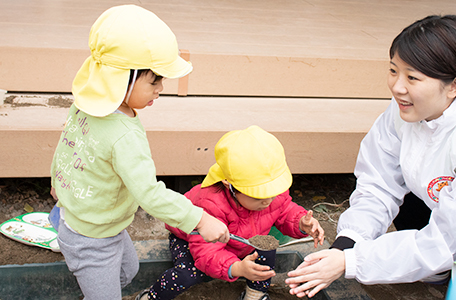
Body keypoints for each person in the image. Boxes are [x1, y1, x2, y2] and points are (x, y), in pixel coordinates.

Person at [286, 14, 456, 297]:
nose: (397, 87)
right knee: (404, 178)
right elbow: (378, 183)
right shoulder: (410, 106)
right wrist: (345, 245)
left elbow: (450, 233)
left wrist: (353, 262)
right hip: (452, 215)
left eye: (412, 77)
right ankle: (442, 271)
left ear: (454, 85)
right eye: (394, 71)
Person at [49, 5, 229, 299]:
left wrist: (57, 184)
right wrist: (200, 219)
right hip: (91, 239)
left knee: (127, 272)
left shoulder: (87, 101)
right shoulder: (125, 135)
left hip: (102, 222)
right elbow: (150, 193)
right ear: (123, 77)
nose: (160, 89)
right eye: (154, 80)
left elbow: (66, 147)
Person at [136, 125, 325, 300]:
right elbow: (206, 253)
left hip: (243, 240)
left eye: (272, 192)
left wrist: (301, 222)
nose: (267, 201)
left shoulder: (271, 193)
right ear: (229, 184)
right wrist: (236, 268)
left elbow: (283, 210)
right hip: (195, 240)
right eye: (257, 195)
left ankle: (255, 294)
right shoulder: (210, 203)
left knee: (267, 250)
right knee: (187, 273)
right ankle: (153, 296)